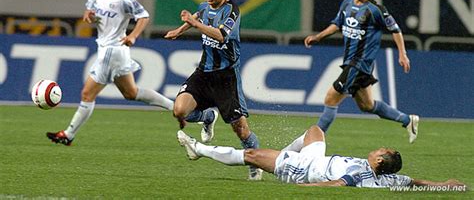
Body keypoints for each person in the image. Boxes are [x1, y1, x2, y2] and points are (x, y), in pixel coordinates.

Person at [47, 0, 173, 146]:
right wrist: (88, 14)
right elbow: (90, 9)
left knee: (87, 94)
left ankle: (68, 134)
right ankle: (175, 107)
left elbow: (144, 16)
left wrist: (133, 36)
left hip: (112, 51)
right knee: (131, 93)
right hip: (112, 52)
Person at [164, 0, 262, 180]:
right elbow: (198, 15)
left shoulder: (232, 11)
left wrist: (194, 24)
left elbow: (220, 35)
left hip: (226, 77)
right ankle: (208, 116)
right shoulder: (203, 7)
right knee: (179, 111)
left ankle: (256, 162)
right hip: (203, 73)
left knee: (241, 131)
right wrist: (179, 31)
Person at [304, 0, 419, 143]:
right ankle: (407, 120)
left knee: (330, 98)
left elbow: (395, 30)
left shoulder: (376, 10)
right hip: (351, 62)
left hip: (359, 63)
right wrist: (318, 37)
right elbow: (337, 24)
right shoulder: (347, 3)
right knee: (367, 105)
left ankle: (312, 145)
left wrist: (402, 54)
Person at [176, 126, 466, 189]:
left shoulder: (362, 174)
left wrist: (306, 188)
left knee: (251, 155)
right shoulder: (387, 176)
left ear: (379, 160)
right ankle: (279, 158)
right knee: (314, 131)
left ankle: (197, 150)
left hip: (306, 169)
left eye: (381, 150)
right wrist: (445, 184)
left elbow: (339, 184)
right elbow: (413, 182)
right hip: (318, 158)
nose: (378, 147)